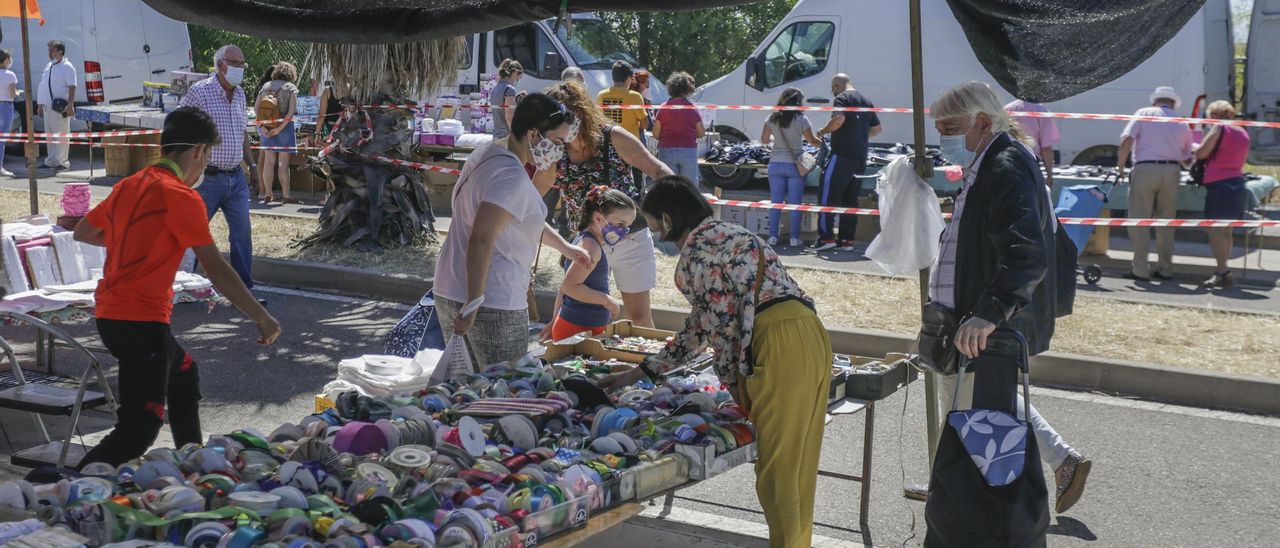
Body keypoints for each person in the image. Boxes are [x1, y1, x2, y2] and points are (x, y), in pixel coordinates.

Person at [598, 176, 831, 548]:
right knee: (798, 465)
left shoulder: (695, 256)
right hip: (811, 334)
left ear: (669, 219)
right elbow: (700, 326)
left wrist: (735, 385)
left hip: (776, 344)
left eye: (653, 220)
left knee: (777, 473)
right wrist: (641, 371)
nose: (651, 228)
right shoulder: (728, 232)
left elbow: (717, 329)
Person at [72, 107, 281, 468]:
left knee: (184, 375)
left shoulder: (129, 185)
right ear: (199, 151)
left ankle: (194, 465)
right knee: (139, 429)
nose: (204, 166)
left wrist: (137, 242)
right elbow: (216, 268)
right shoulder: (181, 196)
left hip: (111, 315)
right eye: (208, 156)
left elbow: (85, 231)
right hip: (140, 323)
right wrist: (262, 318)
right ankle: (66, 489)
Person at [928, 81, 1090, 515]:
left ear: (982, 121)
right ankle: (963, 498)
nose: (942, 136)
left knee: (974, 411)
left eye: (949, 127)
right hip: (964, 317)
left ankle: (977, 507)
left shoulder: (1006, 164)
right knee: (971, 405)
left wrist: (989, 311)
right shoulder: (991, 160)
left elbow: (1026, 252)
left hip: (980, 321)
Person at [432, 93, 591, 367]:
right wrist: (474, 301)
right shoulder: (512, 176)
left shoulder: (488, 154)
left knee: (467, 393)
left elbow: (515, 218)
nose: (559, 150)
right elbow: (481, 239)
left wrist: (565, 247)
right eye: (556, 141)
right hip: (492, 300)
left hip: (451, 288)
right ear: (532, 134)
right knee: (505, 390)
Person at [540, 80, 674, 329]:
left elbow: (657, 169)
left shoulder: (613, 137)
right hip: (586, 244)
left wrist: (674, 209)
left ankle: (644, 367)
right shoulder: (555, 151)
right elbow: (531, 196)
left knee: (639, 318)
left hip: (629, 238)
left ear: (579, 114)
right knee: (584, 319)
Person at [181, 45, 258, 290]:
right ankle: (183, 285)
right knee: (193, 233)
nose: (240, 69)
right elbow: (181, 127)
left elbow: (243, 132)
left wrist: (253, 166)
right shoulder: (200, 92)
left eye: (243, 64)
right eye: (235, 63)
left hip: (235, 178)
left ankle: (244, 287)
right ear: (220, 64)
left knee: (242, 234)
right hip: (207, 179)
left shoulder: (240, 94)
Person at [1117, 86, 1192, 282]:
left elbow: (1127, 139)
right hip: (1172, 171)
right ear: (1173, 103)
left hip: (1145, 169)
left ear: (1155, 101)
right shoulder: (1181, 121)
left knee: (1140, 221)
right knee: (1166, 223)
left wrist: (1120, 167)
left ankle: (1140, 269)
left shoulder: (1144, 113)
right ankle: (1165, 268)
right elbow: (1187, 156)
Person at [548, 186, 636, 341]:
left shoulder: (588, 240)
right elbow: (570, 287)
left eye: (628, 226)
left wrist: (555, 319)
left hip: (578, 329)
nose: (625, 231)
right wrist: (606, 301)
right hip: (578, 330)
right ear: (598, 218)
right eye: (621, 224)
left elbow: (564, 286)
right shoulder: (591, 246)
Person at [815, 74, 881, 251]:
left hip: (841, 155)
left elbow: (839, 119)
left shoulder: (842, 98)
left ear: (837, 86)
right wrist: (859, 138)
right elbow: (877, 129)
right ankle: (846, 240)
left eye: (832, 89)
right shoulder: (866, 101)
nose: (833, 92)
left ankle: (826, 238)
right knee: (850, 199)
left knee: (827, 196)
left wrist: (823, 131)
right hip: (860, 156)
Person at [1194, 100, 1251, 288]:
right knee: (1227, 230)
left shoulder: (1218, 128)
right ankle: (1223, 269)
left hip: (1219, 183)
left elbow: (1203, 153)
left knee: (1214, 229)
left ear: (1215, 115)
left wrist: (1194, 148)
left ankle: (1223, 270)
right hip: (1237, 181)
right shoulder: (1242, 131)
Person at [761, 87, 820, 248]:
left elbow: (764, 139)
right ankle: (794, 238)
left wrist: (776, 138)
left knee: (776, 202)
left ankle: (772, 236)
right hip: (796, 165)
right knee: (795, 203)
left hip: (775, 164)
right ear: (798, 102)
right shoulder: (802, 119)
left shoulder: (771, 118)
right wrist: (823, 142)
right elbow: (812, 140)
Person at [257, 61, 302, 204]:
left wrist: (264, 127)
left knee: (269, 162)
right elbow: (291, 111)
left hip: (267, 127)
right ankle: (286, 195)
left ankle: (267, 194)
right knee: (283, 162)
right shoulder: (290, 88)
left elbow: (258, 108)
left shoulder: (265, 86)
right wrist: (280, 128)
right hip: (284, 127)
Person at [654, 71, 705, 188]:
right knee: (689, 187)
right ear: (688, 89)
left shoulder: (663, 107)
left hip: (666, 150)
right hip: (688, 150)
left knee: (668, 186)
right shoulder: (691, 108)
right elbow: (701, 132)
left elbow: (656, 134)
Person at [37, 40, 77, 172]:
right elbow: (44, 84)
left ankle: (62, 162)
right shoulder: (49, 65)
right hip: (47, 107)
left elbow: (72, 86)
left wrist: (70, 105)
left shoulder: (68, 67)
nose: (49, 54)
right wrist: (40, 104)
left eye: (52, 51)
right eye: (49, 51)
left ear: (60, 52)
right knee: (49, 135)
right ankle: (51, 161)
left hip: (60, 108)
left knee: (61, 135)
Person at [1005, 99, 1060, 187]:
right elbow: (1046, 148)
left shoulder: (1007, 108)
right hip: (1029, 163)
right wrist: (1049, 175)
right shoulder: (1042, 111)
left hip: (1007, 160)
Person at [596, 60, 648, 141]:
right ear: (629, 78)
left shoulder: (601, 95)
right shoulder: (635, 96)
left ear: (613, 77)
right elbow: (644, 125)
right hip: (630, 144)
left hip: (608, 144)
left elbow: (599, 121)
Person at [490, 59, 526, 139]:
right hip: (507, 136)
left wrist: (516, 98)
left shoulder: (495, 89)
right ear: (514, 73)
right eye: (518, 78)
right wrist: (515, 135)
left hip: (496, 135)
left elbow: (502, 108)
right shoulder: (510, 89)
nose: (517, 81)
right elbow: (509, 117)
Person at [0, 49, 17, 177]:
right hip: (6, 106)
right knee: (2, 138)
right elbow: (12, 93)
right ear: (5, 60)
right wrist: (17, 93)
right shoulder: (10, 75)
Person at [315, 80, 346, 145]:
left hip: (329, 131)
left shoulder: (327, 91)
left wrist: (317, 134)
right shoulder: (349, 89)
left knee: (328, 153)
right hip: (345, 131)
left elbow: (322, 115)